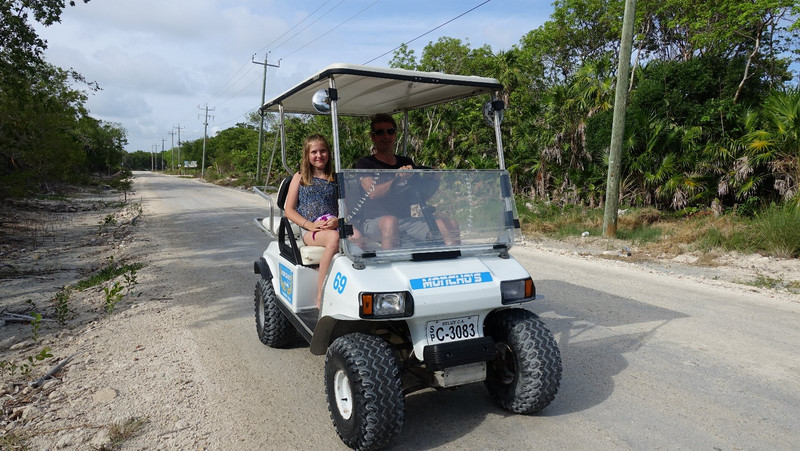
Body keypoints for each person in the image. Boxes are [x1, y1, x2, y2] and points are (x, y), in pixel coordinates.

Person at [353, 114, 458, 248]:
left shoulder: (406, 162)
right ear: (373, 137)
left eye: (390, 131)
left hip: (405, 221)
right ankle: (389, 265)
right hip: (373, 223)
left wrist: (434, 179)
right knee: (390, 222)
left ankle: (452, 262)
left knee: (450, 225)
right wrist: (396, 178)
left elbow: (422, 196)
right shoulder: (365, 163)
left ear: (395, 135)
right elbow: (373, 193)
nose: (386, 136)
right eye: (380, 132)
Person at [283, 134, 339, 308]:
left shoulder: (335, 178)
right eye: (314, 152)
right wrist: (310, 225)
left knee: (358, 234)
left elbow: (347, 207)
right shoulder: (300, 178)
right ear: (307, 155)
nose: (319, 155)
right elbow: (289, 211)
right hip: (311, 230)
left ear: (328, 153)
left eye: (323, 151)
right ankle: (321, 295)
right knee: (333, 239)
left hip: (333, 225)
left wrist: (337, 220)